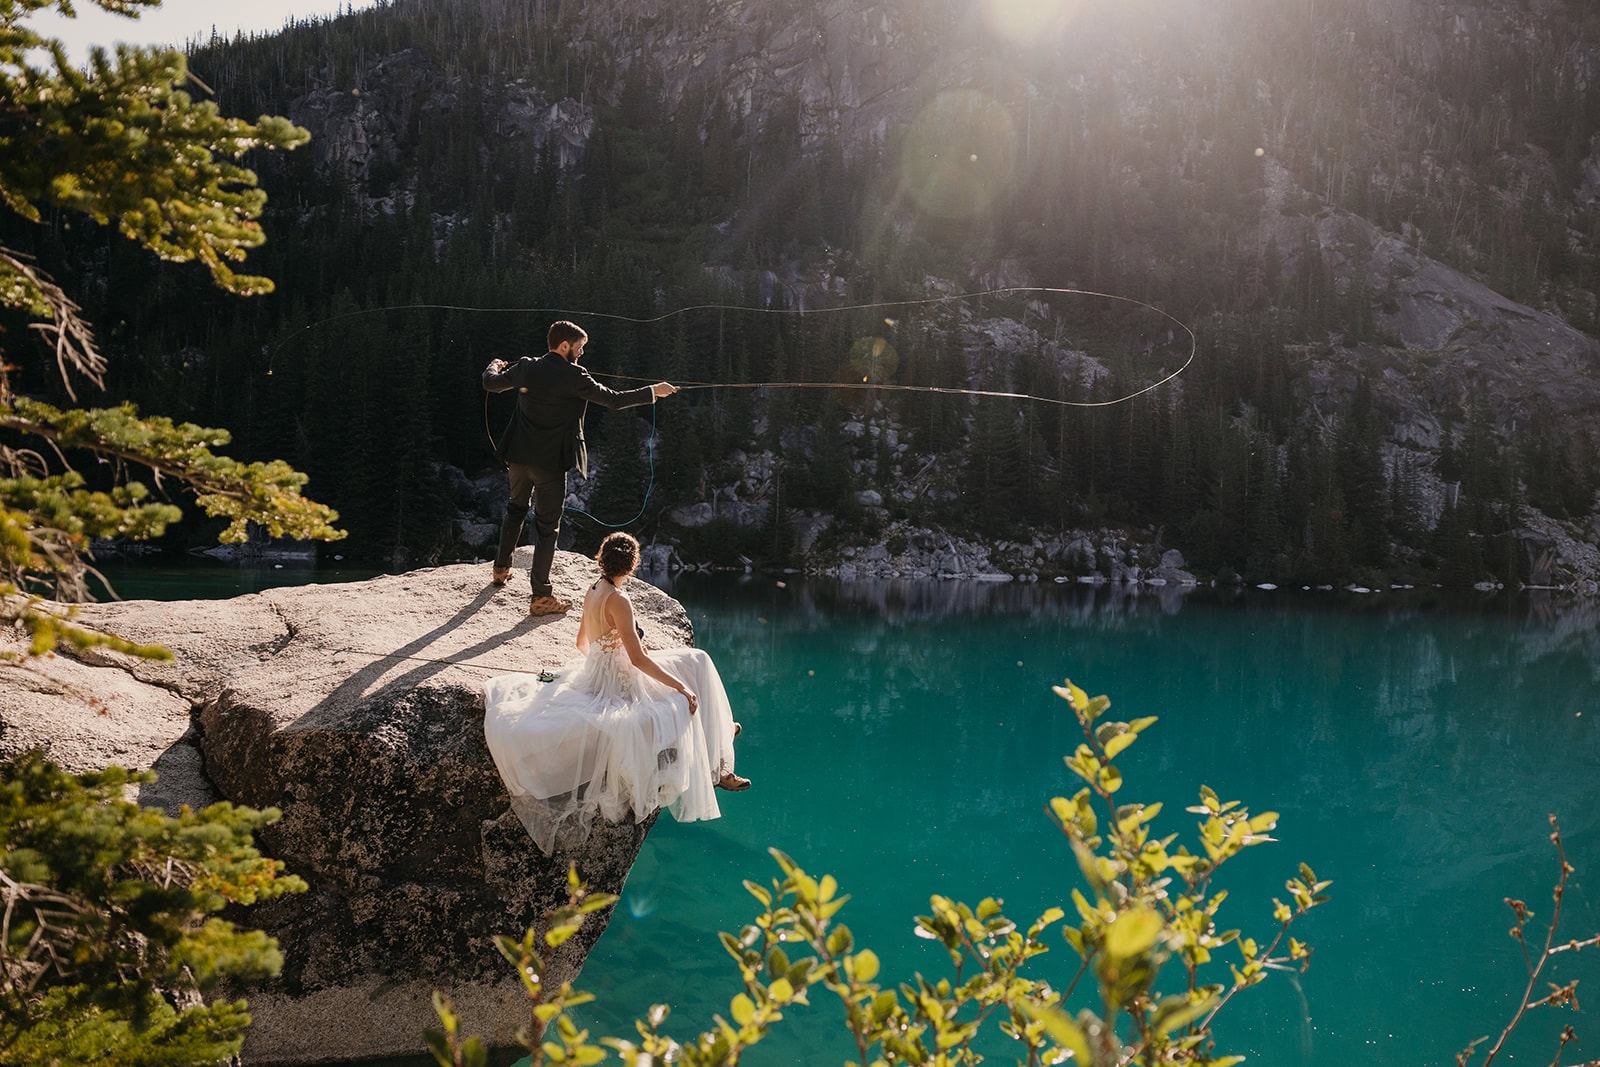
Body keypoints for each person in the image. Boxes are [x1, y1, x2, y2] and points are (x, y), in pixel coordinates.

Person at [483, 532, 750, 855]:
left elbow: (582, 644)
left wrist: (605, 659)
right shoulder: (619, 600)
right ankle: (717, 764)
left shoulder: (594, 589)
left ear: (602, 558)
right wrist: (676, 686)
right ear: (633, 564)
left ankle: (721, 733)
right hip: (620, 680)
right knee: (682, 698)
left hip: (604, 668)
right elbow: (637, 659)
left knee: (696, 659)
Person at [483, 320, 680, 615]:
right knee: (547, 527)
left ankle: (501, 568)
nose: (582, 353)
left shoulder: (525, 367)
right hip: (549, 465)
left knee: (516, 509)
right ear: (564, 346)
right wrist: (653, 391)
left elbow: (490, 383)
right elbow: (614, 401)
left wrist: (494, 366)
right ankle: (540, 596)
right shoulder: (575, 376)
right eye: (580, 347)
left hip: (519, 458)